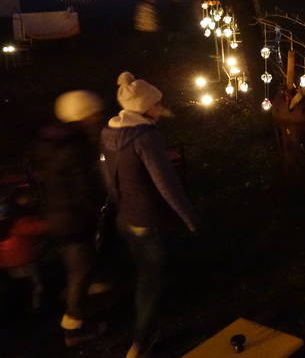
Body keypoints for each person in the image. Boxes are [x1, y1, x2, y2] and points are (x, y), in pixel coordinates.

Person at [101, 72, 199, 358]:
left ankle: (150, 327)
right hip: (147, 220)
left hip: (126, 219)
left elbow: (108, 177)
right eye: (157, 103)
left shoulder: (109, 133)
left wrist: (121, 205)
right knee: (150, 282)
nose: (161, 107)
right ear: (144, 107)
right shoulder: (146, 137)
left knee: (144, 272)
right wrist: (189, 217)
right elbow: (166, 182)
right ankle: (141, 342)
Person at [34, 90, 108, 345]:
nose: (97, 120)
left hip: (58, 217)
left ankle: (79, 307)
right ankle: (74, 327)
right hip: (73, 220)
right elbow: (83, 187)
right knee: (81, 272)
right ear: (81, 116)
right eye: (94, 115)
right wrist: (99, 210)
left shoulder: (52, 143)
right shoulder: (75, 147)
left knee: (78, 270)